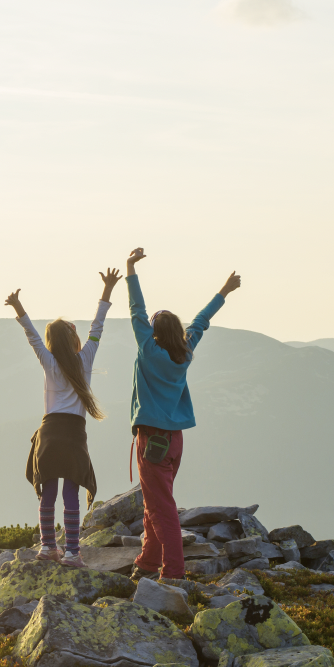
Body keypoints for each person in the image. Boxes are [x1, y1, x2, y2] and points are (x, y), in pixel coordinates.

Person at [125, 247, 241, 580]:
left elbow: (137, 309)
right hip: (174, 442)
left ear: (154, 333)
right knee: (156, 503)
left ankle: (173, 575)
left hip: (151, 441)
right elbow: (202, 320)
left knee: (163, 511)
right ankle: (148, 562)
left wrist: (130, 269)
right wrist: (224, 291)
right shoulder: (185, 350)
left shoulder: (149, 350)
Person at [6, 267, 122, 568]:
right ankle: (72, 552)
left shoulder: (49, 362)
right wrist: (107, 290)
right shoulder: (85, 360)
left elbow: (32, 336)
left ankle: (47, 547)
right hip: (72, 434)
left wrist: (19, 308)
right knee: (71, 492)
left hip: (49, 432)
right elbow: (98, 326)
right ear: (73, 341)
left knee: (49, 493)